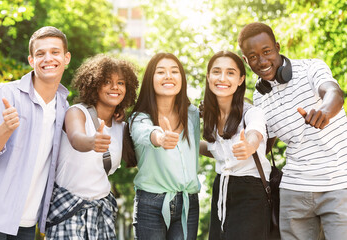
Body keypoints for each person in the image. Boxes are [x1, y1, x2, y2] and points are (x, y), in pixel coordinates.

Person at [0, 26, 71, 239]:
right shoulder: (4, 95)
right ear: (31, 60)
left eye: (55, 52)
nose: (48, 58)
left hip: (26, 220)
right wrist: (4, 129)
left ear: (66, 58)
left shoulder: (64, 107)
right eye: (40, 54)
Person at [238, 22, 347, 239]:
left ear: (277, 47)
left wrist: (324, 111)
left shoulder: (311, 68)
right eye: (253, 57)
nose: (262, 61)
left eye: (266, 51)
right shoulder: (260, 96)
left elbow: (334, 92)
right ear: (245, 60)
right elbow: (263, 142)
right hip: (294, 189)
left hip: (337, 182)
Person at [45, 54, 139, 239]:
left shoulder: (122, 127)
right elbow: (76, 138)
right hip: (69, 211)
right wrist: (92, 142)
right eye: (107, 81)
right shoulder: (77, 112)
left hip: (102, 211)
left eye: (121, 83)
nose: (115, 87)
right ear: (94, 84)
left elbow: (139, 159)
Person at [127, 53, 201, 240]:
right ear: (150, 80)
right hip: (151, 205)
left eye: (174, 71)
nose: (168, 76)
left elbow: (199, 145)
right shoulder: (139, 118)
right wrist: (160, 138)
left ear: (182, 79)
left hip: (188, 203)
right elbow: (144, 133)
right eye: (161, 72)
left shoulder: (192, 114)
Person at [201, 51, 271, 239]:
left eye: (230, 73)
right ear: (208, 77)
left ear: (240, 79)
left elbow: (255, 133)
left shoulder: (252, 112)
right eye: (216, 72)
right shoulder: (211, 117)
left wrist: (250, 145)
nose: (222, 78)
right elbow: (214, 150)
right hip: (221, 188)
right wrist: (181, 141)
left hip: (250, 192)